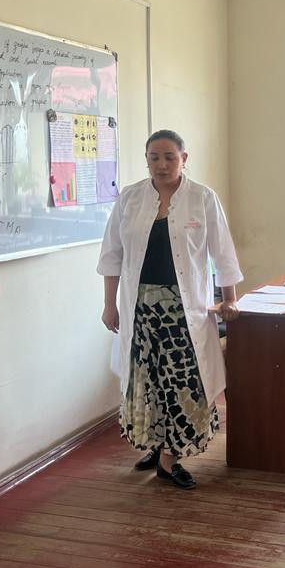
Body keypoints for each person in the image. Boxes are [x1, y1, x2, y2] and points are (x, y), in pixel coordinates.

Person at [97, 129, 242, 490]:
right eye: (154, 158)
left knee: (182, 381)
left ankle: (169, 457)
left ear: (183, 159)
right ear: (146, 160)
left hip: (184, 311)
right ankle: (156, 444)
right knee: (147, 381)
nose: (161, 165)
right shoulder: (130, 198)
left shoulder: (202, 198)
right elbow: (112, 255)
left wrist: (230, 298)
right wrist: (109, 304)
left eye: (169, 157)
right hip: (140, 308)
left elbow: (223, 254)